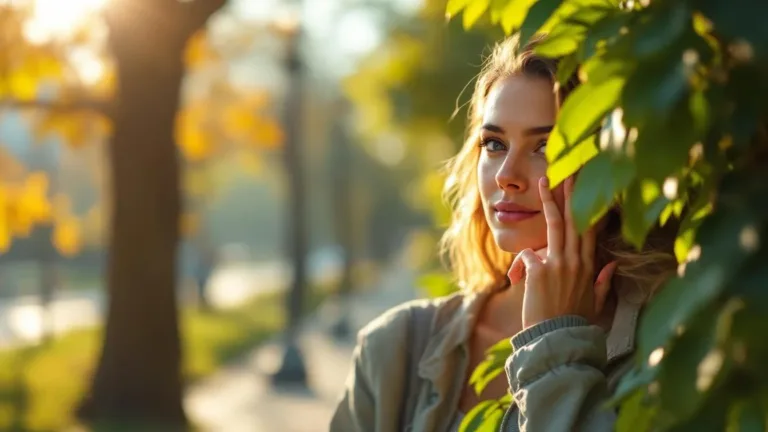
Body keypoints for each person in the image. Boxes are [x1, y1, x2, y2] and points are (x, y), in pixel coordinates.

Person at [330, 35, 678, 432]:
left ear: (610, 170)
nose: (506, 176)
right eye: (494, 144)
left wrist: (559, 346)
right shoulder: (394, 349)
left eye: (546, 146)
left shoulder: (669, 351)